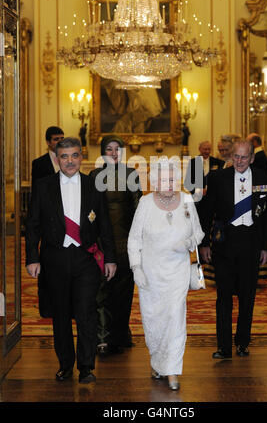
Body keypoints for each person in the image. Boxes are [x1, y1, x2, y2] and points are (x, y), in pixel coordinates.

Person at [25, 137, 117, 384]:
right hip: (54, 258)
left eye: (74, 155)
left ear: (81, 157)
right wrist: (32, 258)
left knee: (86, 313)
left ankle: (86, 367)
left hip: (85, 257)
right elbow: (32, 225)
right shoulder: (43, 186)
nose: (69, 161)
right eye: (64, 156)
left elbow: (105, 226)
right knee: (61, 315)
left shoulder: (94, 186)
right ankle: (65, 364)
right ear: (57, 158)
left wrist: (110, 258)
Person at [128, 157, 204, 390]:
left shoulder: (187, 200)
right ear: (154, 182)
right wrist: (136, 267)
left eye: (172, 179)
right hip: (150, 274)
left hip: (177, 272)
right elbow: (134, 239)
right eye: (163, 180)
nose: (169, 184)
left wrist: (188, 242)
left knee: (175, 318)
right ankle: (157, 361)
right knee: (153, 320)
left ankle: (171, 370)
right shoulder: (145, 203)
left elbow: (199, 234)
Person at [199, 140, 267, 359]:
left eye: (244, 157)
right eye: (236, 157)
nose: (239, 161)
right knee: (223, 297)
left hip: (251, 243)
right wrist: (204, 243)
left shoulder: (264, 178)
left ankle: (242, 343)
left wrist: (265, 247)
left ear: (252, 158)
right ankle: (223, 346)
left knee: (247, 297)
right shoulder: (217, 178)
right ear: (231, 157)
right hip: (225, 243)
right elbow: (207, 213)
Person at [89, 135, 142, 356]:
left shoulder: (131, 175)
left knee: (123, 292)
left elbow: (138, 208)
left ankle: (120, 334)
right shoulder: (93, 176)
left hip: (125, 241)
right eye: (109, 149)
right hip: (101, 241)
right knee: (101, 292)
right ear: (103, 152)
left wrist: (138, 241)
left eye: (117, 149)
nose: (113, 153)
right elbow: (89, 211)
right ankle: (102, 337)